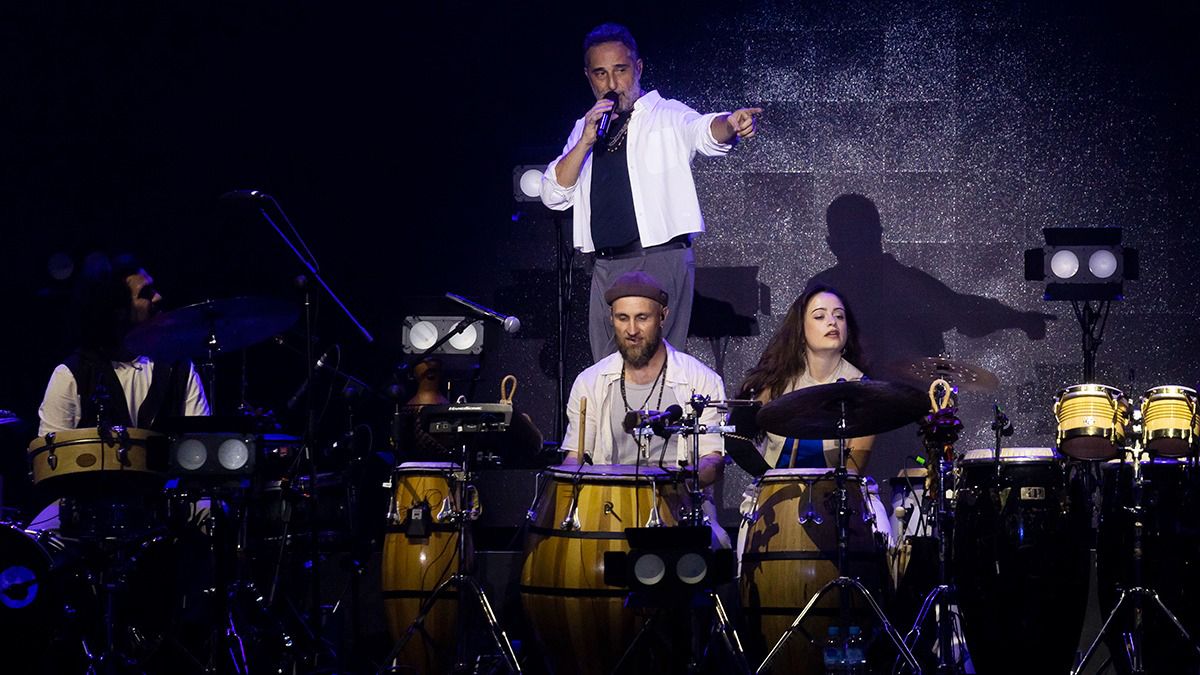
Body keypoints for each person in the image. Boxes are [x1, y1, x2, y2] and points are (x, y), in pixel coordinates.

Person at [540, 22, 762, 363]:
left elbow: (703, 131)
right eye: (600, 74)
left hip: (660, 257)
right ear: (588, 77)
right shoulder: (584, 128)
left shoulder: (667, 114)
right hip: (605, 264)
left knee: (659, 363)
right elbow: (554, 194)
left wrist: (730, 124)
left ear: (638, 68)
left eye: (621, 70)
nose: (612, 84)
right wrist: (584, 140)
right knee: (608, 369)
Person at [560, 271, 728, 543]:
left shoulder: (701, 380)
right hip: (610, 513)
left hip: (681, 515)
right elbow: (575, 457)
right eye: (622, 318)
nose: (632, 330)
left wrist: (676, 482)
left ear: (663, 316)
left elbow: (713, 460)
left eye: (642, 318)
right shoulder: (590, 382)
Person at [38, 252, 210, 435]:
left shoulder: (179, 368)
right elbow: (50, 456)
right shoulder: (72, 374)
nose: (158, 297)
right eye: (145, 293)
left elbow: (198, 444)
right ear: (118, 310)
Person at [731, 283, 875, 472]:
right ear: (800, 329)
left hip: (835, 493)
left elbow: (853, 469)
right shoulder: (776, 381)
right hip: (778, 492)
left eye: (839, 316)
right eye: (819, 316)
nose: (832, 322)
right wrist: (769, 479)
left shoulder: (861, 387)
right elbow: (735, 438)